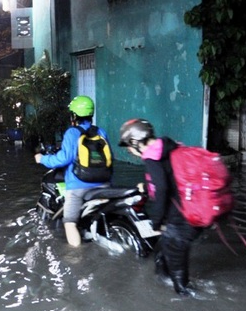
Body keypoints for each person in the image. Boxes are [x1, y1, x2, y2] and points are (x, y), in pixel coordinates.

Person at [118, 118, 200, 296]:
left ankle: (187, 302)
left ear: (135, 142)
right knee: (161, 258)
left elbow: (162, 188)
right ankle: (164, 290)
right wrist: (148, 187)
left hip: (182, 218)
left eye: (129, 147)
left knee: (180, 281)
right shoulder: (168, 147)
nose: (130, 151)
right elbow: (169, 179)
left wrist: (156, 222)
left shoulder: (152, 158)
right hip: (192, 211)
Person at [34, 96, 111, 247]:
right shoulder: (101, 132)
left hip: (79, 186)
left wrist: (42, 159)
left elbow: (63, 159)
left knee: (69, 223)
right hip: (105, 184)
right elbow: (109, 159)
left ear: (74, 115)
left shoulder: (72, 133)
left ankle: (76, 258)